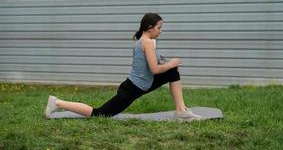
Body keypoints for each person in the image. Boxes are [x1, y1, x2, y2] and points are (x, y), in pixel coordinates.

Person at [44, 13, 201, 120]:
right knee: (99, 114)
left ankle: (181, 110)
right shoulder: (146, 42)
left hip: (143, 84)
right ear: (149, 27)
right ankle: (57, 103)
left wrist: (170, 66)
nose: (160, 31)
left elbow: (155, 66)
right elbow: (154, 70)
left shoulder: (144, 41)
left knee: (172, 73)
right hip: (131, 89)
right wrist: (172, 63)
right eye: (159, 28)